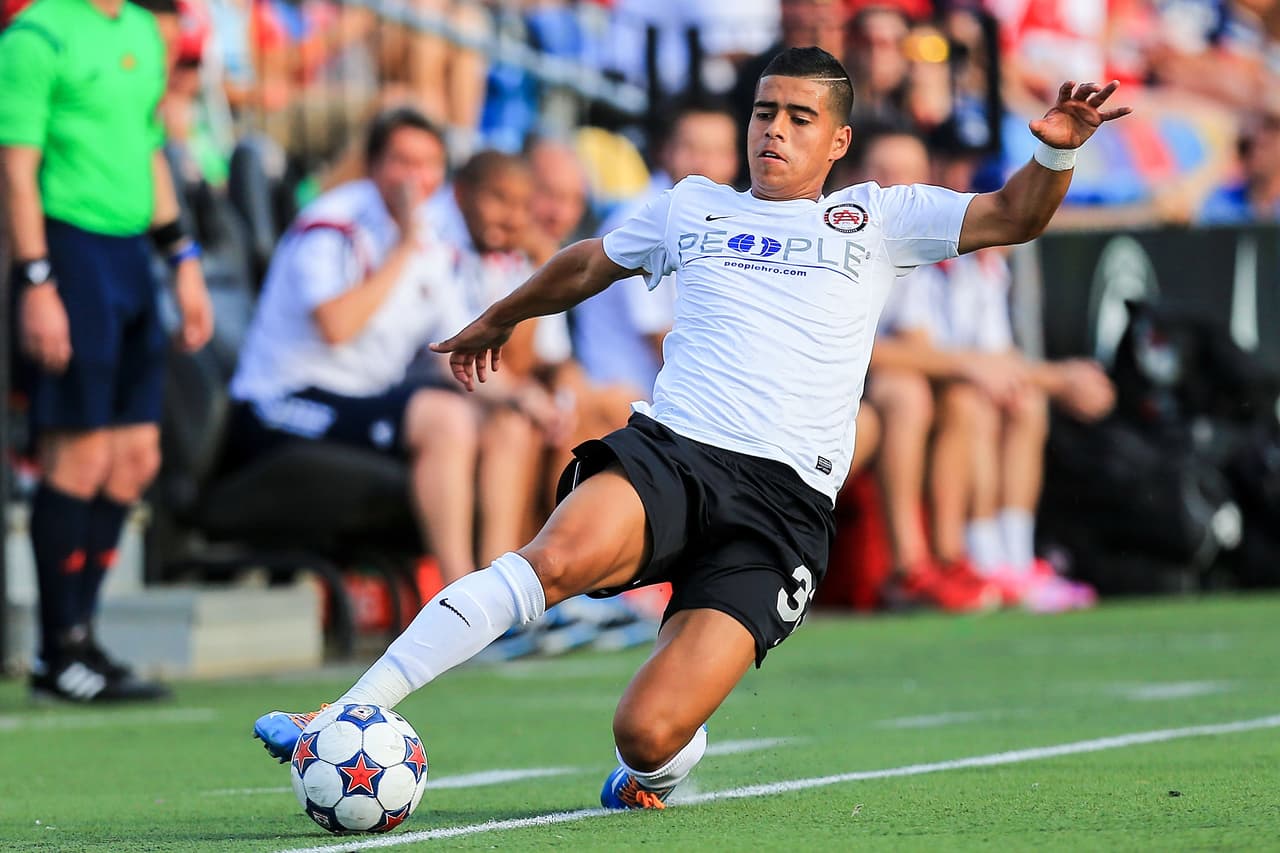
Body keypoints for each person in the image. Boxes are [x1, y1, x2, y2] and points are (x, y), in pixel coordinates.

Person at [253, 47, 1130, 810]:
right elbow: (588, 263)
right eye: (764, 112)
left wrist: (1054, 152)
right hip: (673, 452)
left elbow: (1014, 216)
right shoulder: (693, 206)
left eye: (798, 117)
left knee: (645, 731)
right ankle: (347, 710)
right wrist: (500, 316)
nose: (773, 130)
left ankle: (662, 767)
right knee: (549, 560)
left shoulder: (877, 218)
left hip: (782, 508)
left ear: (837, 141)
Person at [1, 0, 214, 702]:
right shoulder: (37, 35)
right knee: (79, 454)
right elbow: (16, 168)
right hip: (69, 251)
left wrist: (182, 257)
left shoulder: (141, 32)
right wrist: (37, 280)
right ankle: (57, 651)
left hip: (130, 256)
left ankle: (82, 637)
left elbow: (147, 147)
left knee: (135, 458)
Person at [227, 108, 539, 586]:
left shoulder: (433, 242)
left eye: (428, 164)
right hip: (284, 396)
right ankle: (457, 597)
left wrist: (521, 396)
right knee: (446, 419)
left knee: (509, 423)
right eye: (402, 162)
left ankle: (502, 589)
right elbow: (336, 326)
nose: (415, 178)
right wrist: (403, 249)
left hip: (366, 398)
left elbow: (454, 351)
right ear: (373, 166)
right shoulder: (332, 223)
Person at [865, 130, 1110, 613]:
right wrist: (1055, 378)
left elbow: (972, 354)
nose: (897, 185)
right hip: (857, 390)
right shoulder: (869, 240)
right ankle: (930, 563)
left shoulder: (969, 260)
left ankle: (1006, 559)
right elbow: (899, 351)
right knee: (941, 396)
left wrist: (1048, 379)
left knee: (1019, 399)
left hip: (915, 379)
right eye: (884, 173)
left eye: (908, 174)